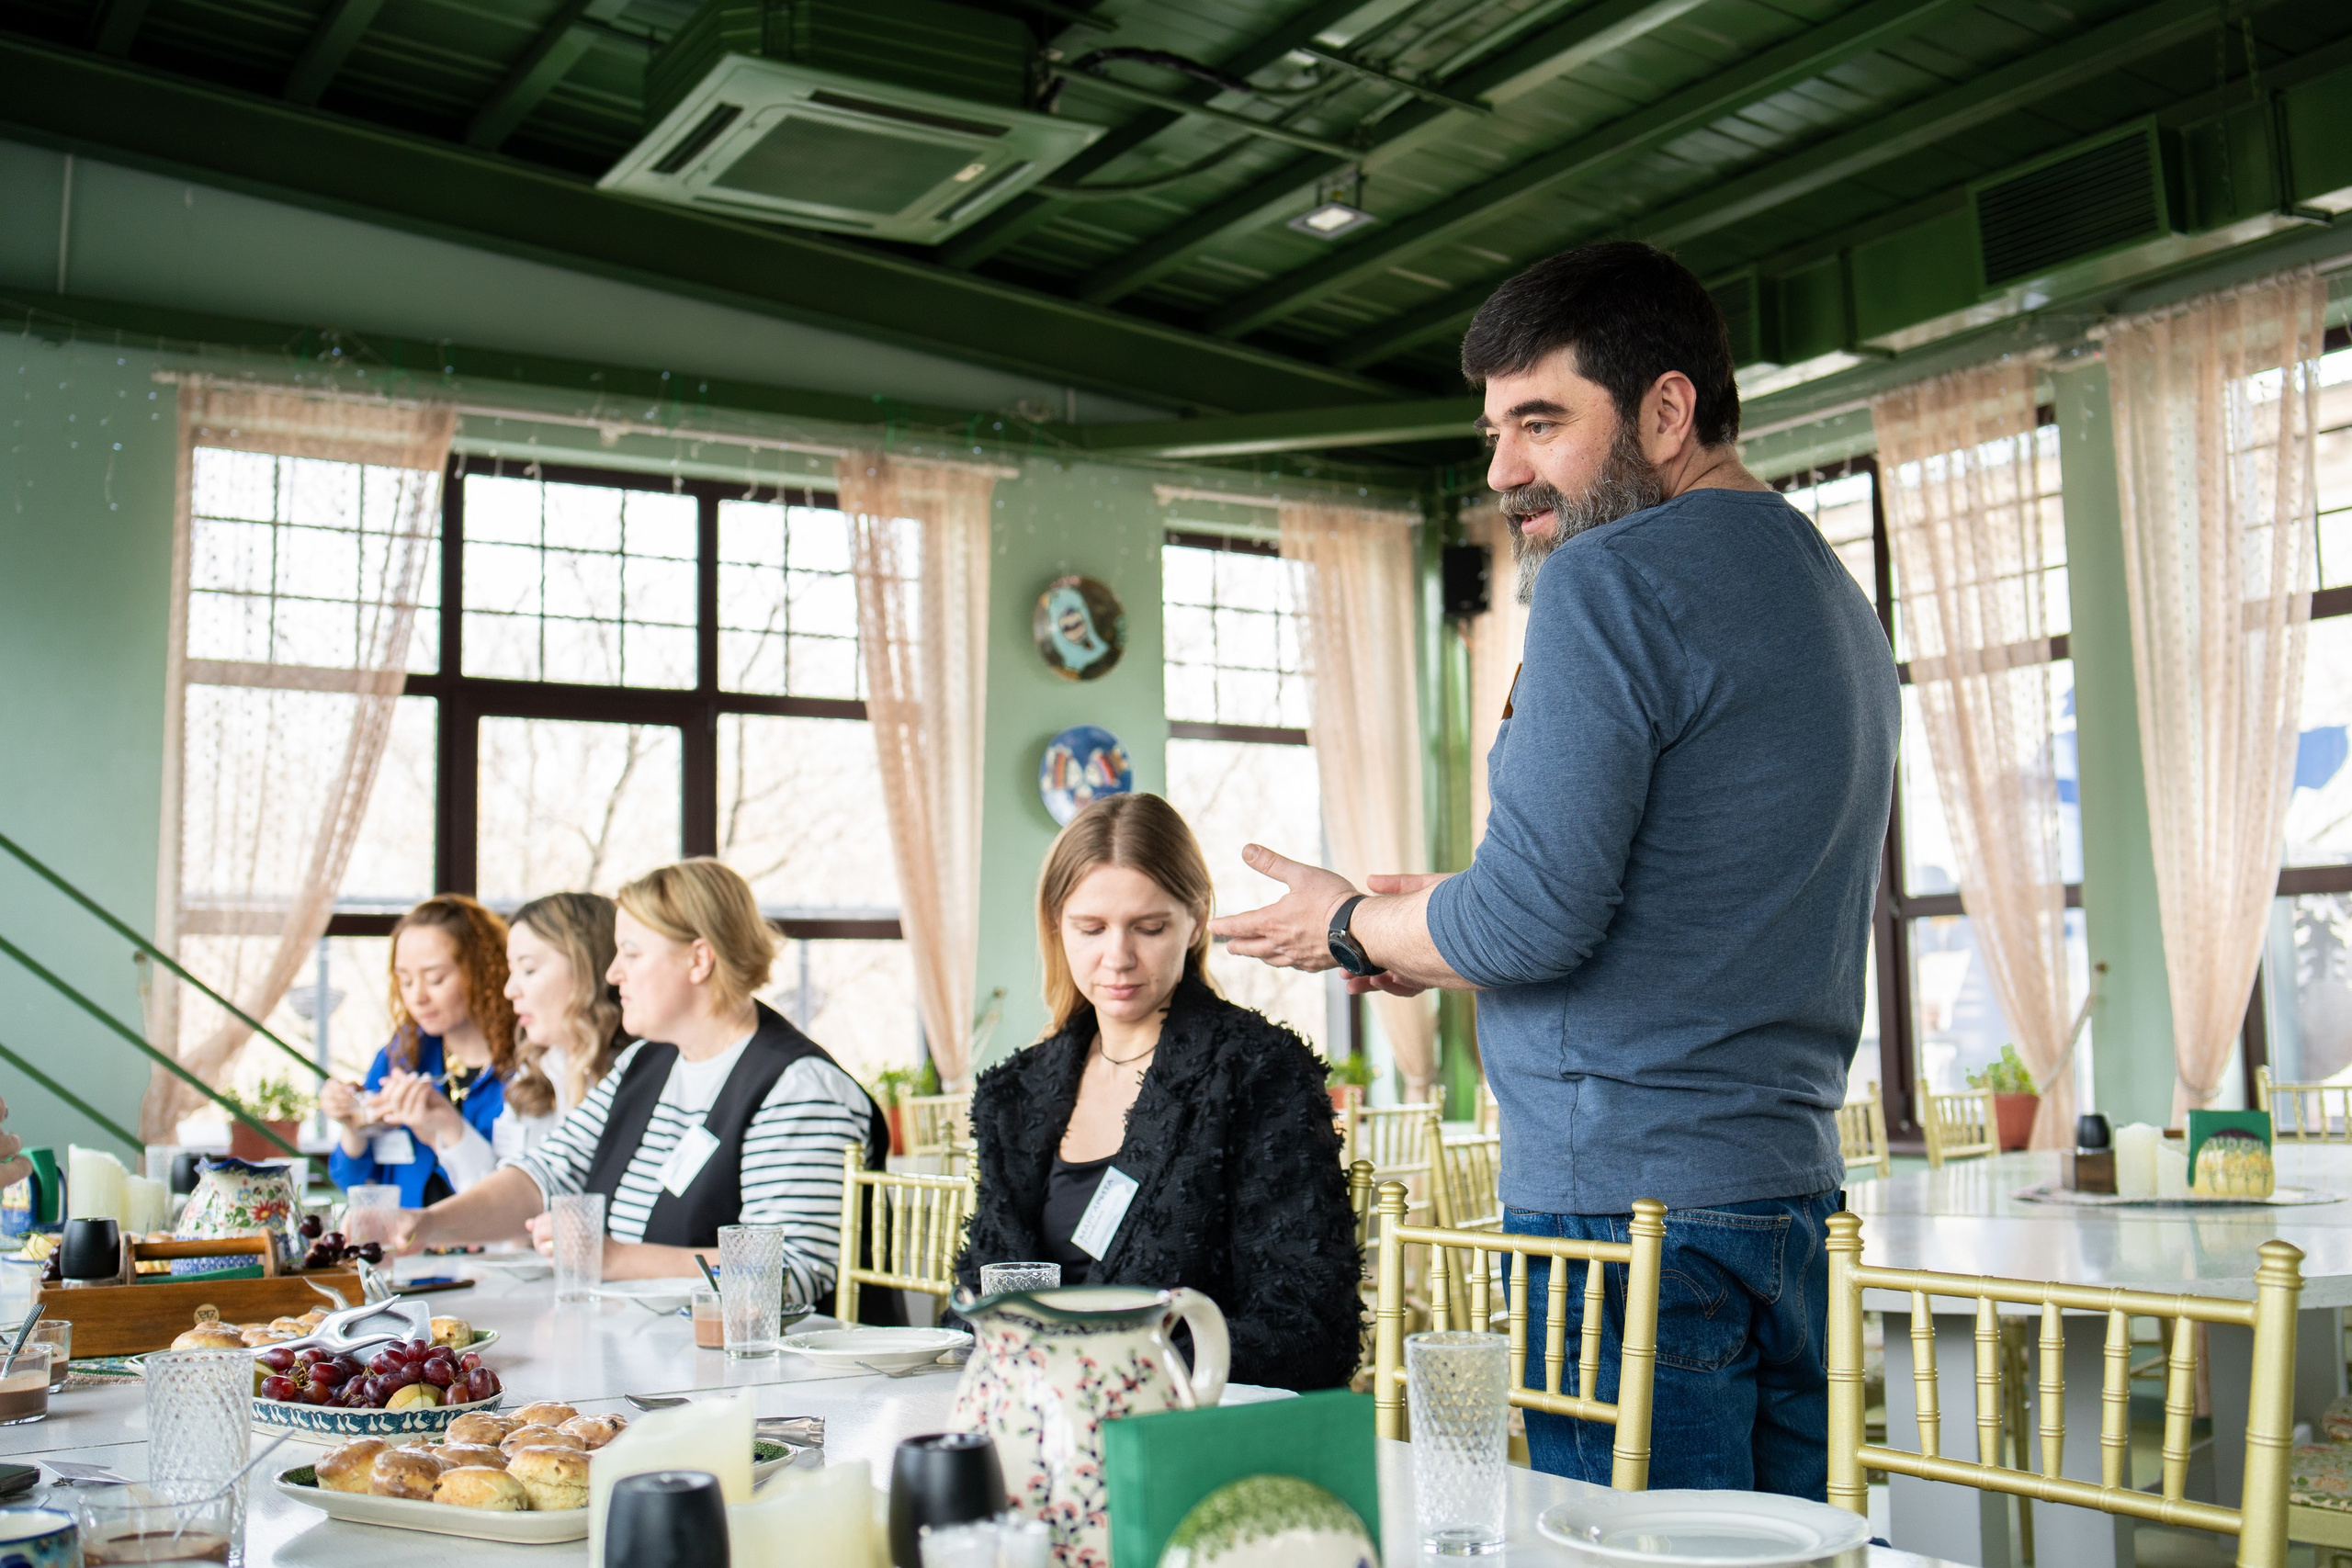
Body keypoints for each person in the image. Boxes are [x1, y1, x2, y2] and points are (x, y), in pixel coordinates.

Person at [1209, 242, 1901, 1494]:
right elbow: (1678, 880)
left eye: (1541, 420)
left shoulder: (1608, 573)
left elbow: (1534, 921)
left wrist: (1354, 925)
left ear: (1667, 409)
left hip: (1624, 1212)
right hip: (1790, 1197)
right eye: (1494, 428)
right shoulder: (1822, 585)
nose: (1503, 470)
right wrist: (1438, 914)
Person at [956, 794, 1360, 1392]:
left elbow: (1310, 1330)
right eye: (1090, 928)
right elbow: (975, 1299)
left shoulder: (1256, 1071)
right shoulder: (1013, 1095)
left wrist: (1107, 1364)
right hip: (1033, 1426)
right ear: (1055, 924)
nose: (1117, 957)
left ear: (1196, 919)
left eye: (1149, 927)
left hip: (1191, 1433)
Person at [390, 859, 892, 1310]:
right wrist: (427, 1225)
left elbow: (788, 1274)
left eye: (630, 954)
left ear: (699, 960)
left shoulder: (799, 1087)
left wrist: (613, 1259)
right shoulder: (646, 1063)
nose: (613, 973)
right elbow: (544, 1177)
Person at [323, 895, 518, 1206]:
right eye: (404, 980)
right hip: (410, 1249)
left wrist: (448, 1129)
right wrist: (353, 1127)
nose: (417, 996)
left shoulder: (528, 1066)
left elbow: (524, 1199)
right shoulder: (401, 1055)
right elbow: (354, 1183)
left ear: (485, 972)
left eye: (435, 979)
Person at [433, 891, 633, 1189]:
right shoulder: (536, 1072)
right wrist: (446, 1125)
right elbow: (502, 1206)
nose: (510, 990)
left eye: (528, 969)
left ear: (587, 969)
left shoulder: (638, 1076)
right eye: (512, 971)